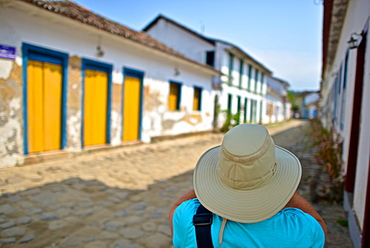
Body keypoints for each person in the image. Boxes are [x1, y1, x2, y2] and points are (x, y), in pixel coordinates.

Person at [169, 124, 327, 248]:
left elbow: (176, 208)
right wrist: (282, 189)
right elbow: (319, 227)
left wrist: (208, 187)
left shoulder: (188, 218)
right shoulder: (300, 229)